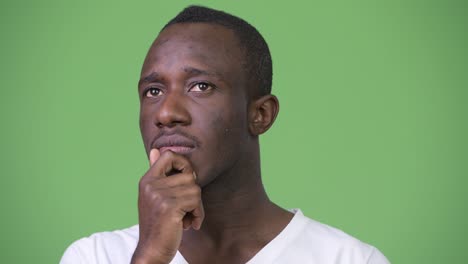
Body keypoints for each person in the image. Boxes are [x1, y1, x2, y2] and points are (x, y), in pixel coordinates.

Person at [60, 5, 390, 264]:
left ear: (260, 115)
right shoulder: (94, 257)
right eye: (153, 91)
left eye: (200, 86)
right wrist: (150, 258)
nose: (165, 113)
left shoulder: (350, 260)